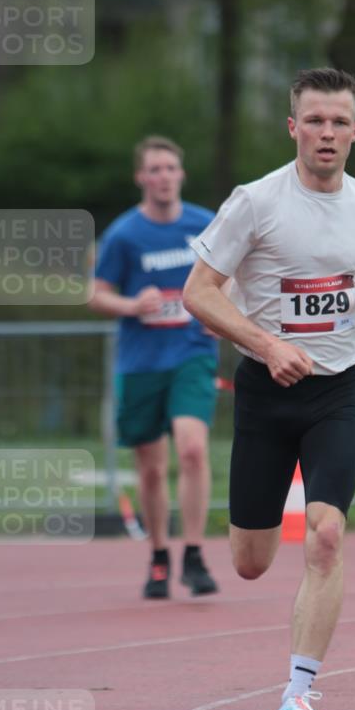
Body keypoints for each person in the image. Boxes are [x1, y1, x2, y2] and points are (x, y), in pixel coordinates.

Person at [183, 67, 355, 710]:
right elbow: (198, 293)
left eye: (338, 121)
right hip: (266, 396)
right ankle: (292, 676)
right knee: (250, 561)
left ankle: (298, 699)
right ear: (294, 127)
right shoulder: (254, 203)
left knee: (324, 534)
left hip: (337, 393)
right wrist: (266, 344)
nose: (326, 132)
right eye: (313, 120)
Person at [90, 135, 219, 599]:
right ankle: (160, 555)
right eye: (155, 170)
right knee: (150, 467)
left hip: (192, 353)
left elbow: (237, 280)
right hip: (141, 360)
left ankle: (196, 554)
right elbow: (96, 292)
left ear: (181, 174)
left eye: (171, 168)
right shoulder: (125, 234)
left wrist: (223, 320)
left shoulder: (206, 225)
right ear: (141, 178)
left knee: (191, 449)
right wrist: (131, 304)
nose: (164, 177)